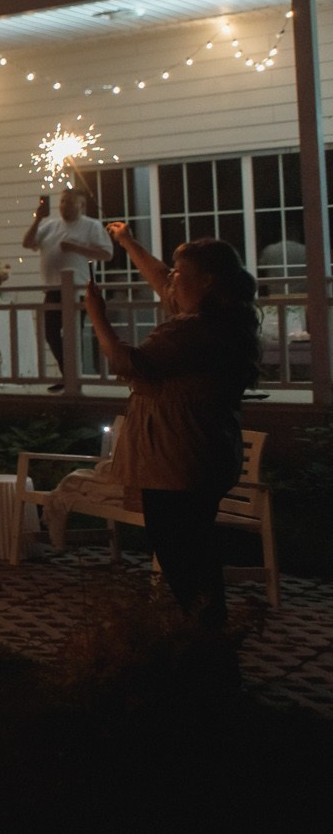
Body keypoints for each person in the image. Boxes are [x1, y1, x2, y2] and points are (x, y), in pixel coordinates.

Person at [84, 230, 260, 631]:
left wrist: (96, 313)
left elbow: (128, 362)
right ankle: (208, 642)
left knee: (183, 558)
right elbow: (162, 277)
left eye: (181, 274)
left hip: (176, 459)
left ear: (206, 282)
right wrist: (127, 243)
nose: (172, 280)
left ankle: (205, 647)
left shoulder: (191, 332)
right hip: (197, 457)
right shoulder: (221, 320)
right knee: (195, 551)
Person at [23, 187, 112, 389]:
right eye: (62, 202)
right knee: (50, 332)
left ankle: (72, 379)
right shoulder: (50, 226)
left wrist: (75, 248)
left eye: (69, 202)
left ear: (81, 205)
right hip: (53, 288)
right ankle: (68, 374)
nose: (64, 206)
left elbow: (106, 254)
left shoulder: (91, 226)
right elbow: (27, 243)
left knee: (74, 335)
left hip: (78, 289)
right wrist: (37, 218)